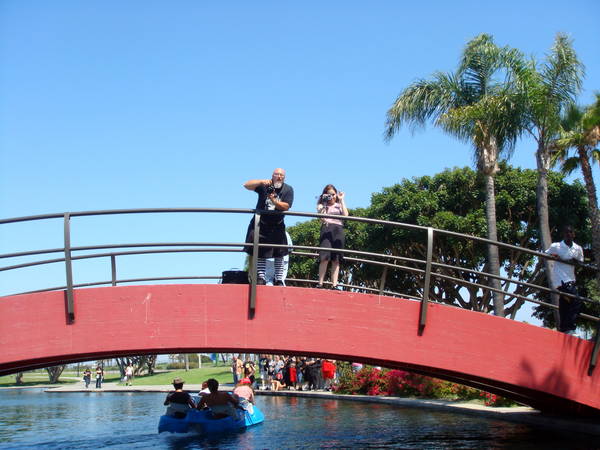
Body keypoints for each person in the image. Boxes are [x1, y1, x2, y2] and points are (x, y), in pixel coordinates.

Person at [243, 168, 294, 286]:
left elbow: (286, 206)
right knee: (261, 252)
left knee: (280, 253)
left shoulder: (288, 189)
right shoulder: (265, 185)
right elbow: (246, 185)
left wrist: (274, 200)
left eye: (281, 175)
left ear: (284, 177)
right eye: (277, 174)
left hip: (277, 224)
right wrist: (261, 182)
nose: (279, 177)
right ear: (272, 175)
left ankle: (279, 279)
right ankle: (261, 277)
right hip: (261, 223)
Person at [546, 225, 584, 335]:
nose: (568, 234)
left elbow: (581, 262)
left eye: (570, 232)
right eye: (566, 232)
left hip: (571, 279)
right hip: (561, 280)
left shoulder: (577, 248)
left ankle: (563, 329)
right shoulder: (556, 246)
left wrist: (575, 261)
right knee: (576, 301)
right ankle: (570, 328)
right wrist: (554, 257)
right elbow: (546, 254)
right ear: (563, 234)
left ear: (574, 234)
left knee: (565, 304)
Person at [316, 185, 348, 289]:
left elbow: (346, 215)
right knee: (324, 257)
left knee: (336, 259)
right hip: (326, 229)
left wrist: (341, 199)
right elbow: (322, 217)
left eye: (333, 194)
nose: (332, 197)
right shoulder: (322, 205)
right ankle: (320, 283)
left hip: (338, 230)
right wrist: (323, 205)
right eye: (329, 195)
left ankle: (334, 284)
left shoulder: (339, 205)